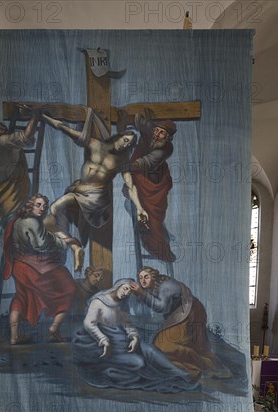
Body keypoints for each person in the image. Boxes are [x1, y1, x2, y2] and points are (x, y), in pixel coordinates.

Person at [41, 112, 149, 270]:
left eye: (129, 144)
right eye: (126, 140)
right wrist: (42, 116)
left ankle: (74, 246)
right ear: (119, 136)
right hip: (78, 190)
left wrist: (140, 208)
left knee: (56, 206)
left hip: (96, 197)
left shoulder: (122, 160)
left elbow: (130, 185)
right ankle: (74, 247)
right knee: (52, 214)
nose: (126, 145)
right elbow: (62, 127)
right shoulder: (94, 144)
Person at [73, 279, 200, 392]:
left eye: (129, 292)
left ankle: (182, 374)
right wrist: (103, 340)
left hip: (122, 340)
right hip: (105, 345)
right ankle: (161, 377)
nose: (126, 293)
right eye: (125, 289)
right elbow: (89, 323)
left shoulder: (121, 303)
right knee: (138, 363)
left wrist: (133, 336)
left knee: (150, 350)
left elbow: (125, 321)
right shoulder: (99, 301)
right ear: (118, 286)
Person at [130, 266, 231, 378]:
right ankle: (204, 367)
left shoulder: (165, 286)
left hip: (190, 313)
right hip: (182, 314)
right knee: (184, 345)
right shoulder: (154, 286)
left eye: (146, 277)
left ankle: (207, 366)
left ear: (153, 277)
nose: (143, 280)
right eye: (140, 278)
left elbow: (162, 308)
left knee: (164, 344)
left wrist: (142, 294)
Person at [3, 194, 77, 343]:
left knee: (21, 297)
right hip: (34, 268)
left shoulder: (17, 220)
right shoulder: (32, 222)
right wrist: (65, 241)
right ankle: (54, 329)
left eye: (44, 206)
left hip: (19, 266)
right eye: (38, 205)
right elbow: (41, 245)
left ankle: (14, 336)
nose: (42, 209)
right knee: (69, 288)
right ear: (30, 205)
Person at [122, 113, 177, 263]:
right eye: (157, 130)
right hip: (139, 180)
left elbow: (148, 161)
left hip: (156, 187)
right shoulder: (148, 131)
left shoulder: (166, 149)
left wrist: (129, 166)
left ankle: (162, 242)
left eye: (162, 133)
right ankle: (159, 233)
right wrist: (123, 121)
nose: (158, 134)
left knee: (153, 218)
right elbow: (135, 118)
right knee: (132, 207)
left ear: (167, 137)